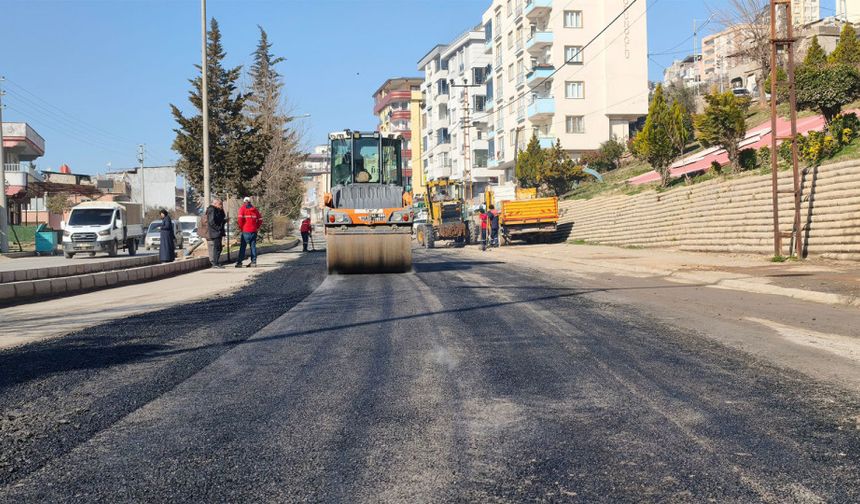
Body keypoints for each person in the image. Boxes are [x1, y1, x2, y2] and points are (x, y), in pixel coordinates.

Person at [236, 196, 262, 267]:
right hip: (253, 231)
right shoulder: (255, 210)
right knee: (253, 246)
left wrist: (241, 228)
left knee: (243, 247)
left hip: (245, 231)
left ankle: (239, 262)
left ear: (244, 202)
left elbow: (240, 220)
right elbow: (260, 219)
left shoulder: (242, 209)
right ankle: (253, 262)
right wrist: (256, 227)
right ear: (250, 202)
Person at [205, 198, 226, 268]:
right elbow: (211, 221)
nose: (221, 206)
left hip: (217, 232)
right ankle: (215, 263)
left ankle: (216, 262)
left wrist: (221, 209)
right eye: (220, 204)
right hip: (215, 232)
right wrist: (218, 229)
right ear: (215, 203)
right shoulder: (212, 210)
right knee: (217, 248)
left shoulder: (217, 210)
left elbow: (222, 217)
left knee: (219, 248)